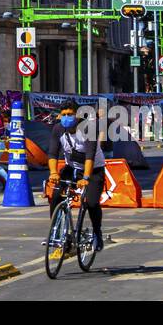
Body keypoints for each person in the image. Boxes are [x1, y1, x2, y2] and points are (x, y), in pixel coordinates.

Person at [48, 100, 105, 254]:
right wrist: (53, 172)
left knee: (91, 202)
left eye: (70, 114)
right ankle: (58, 232)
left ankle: (97, 233)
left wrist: (86, 178)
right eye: (64, 115)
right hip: (71, 168)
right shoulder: (58, 129)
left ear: (78, 115)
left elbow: (90, 155)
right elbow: (53, 153)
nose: (67, 117)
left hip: (93, 170)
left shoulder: (88, 128)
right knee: (55, 196)